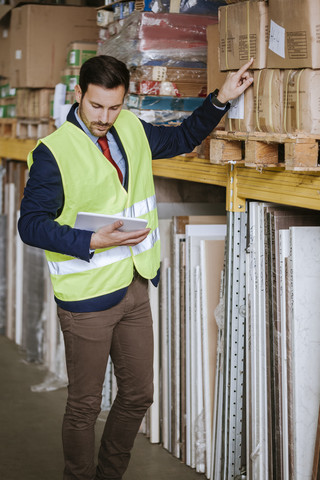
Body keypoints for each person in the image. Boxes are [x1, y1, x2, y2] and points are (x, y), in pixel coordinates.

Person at [18, 54, 253, 480]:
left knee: (139, 395)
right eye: (96, 106)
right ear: (78, 96)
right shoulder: (54, 153)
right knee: (86, 405)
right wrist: (91, 239)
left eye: (114, 106)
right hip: (86, 298)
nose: (105, 117)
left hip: (134, 285)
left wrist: (222, 99)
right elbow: (31, 226)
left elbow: (182, 138)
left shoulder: (130, 128)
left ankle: (109, 474)